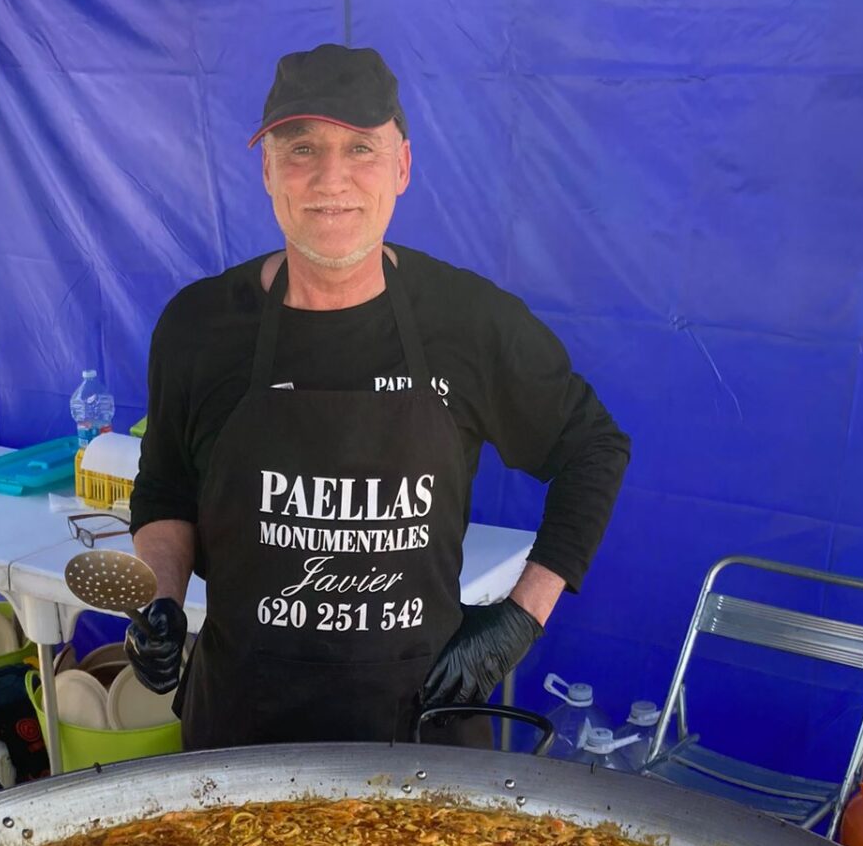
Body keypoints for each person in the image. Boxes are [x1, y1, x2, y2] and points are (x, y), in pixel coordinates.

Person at [126, 44, 630, 750]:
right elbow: (166, 492)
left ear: (402, 167)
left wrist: (520, 618)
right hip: (243, 730)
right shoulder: (199, 325)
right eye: (301, 147)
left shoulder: (470, 322)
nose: (331, 177)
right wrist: (162, 598)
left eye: (361, 147)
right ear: (268, 169)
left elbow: (593, 449)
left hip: (420, 729)